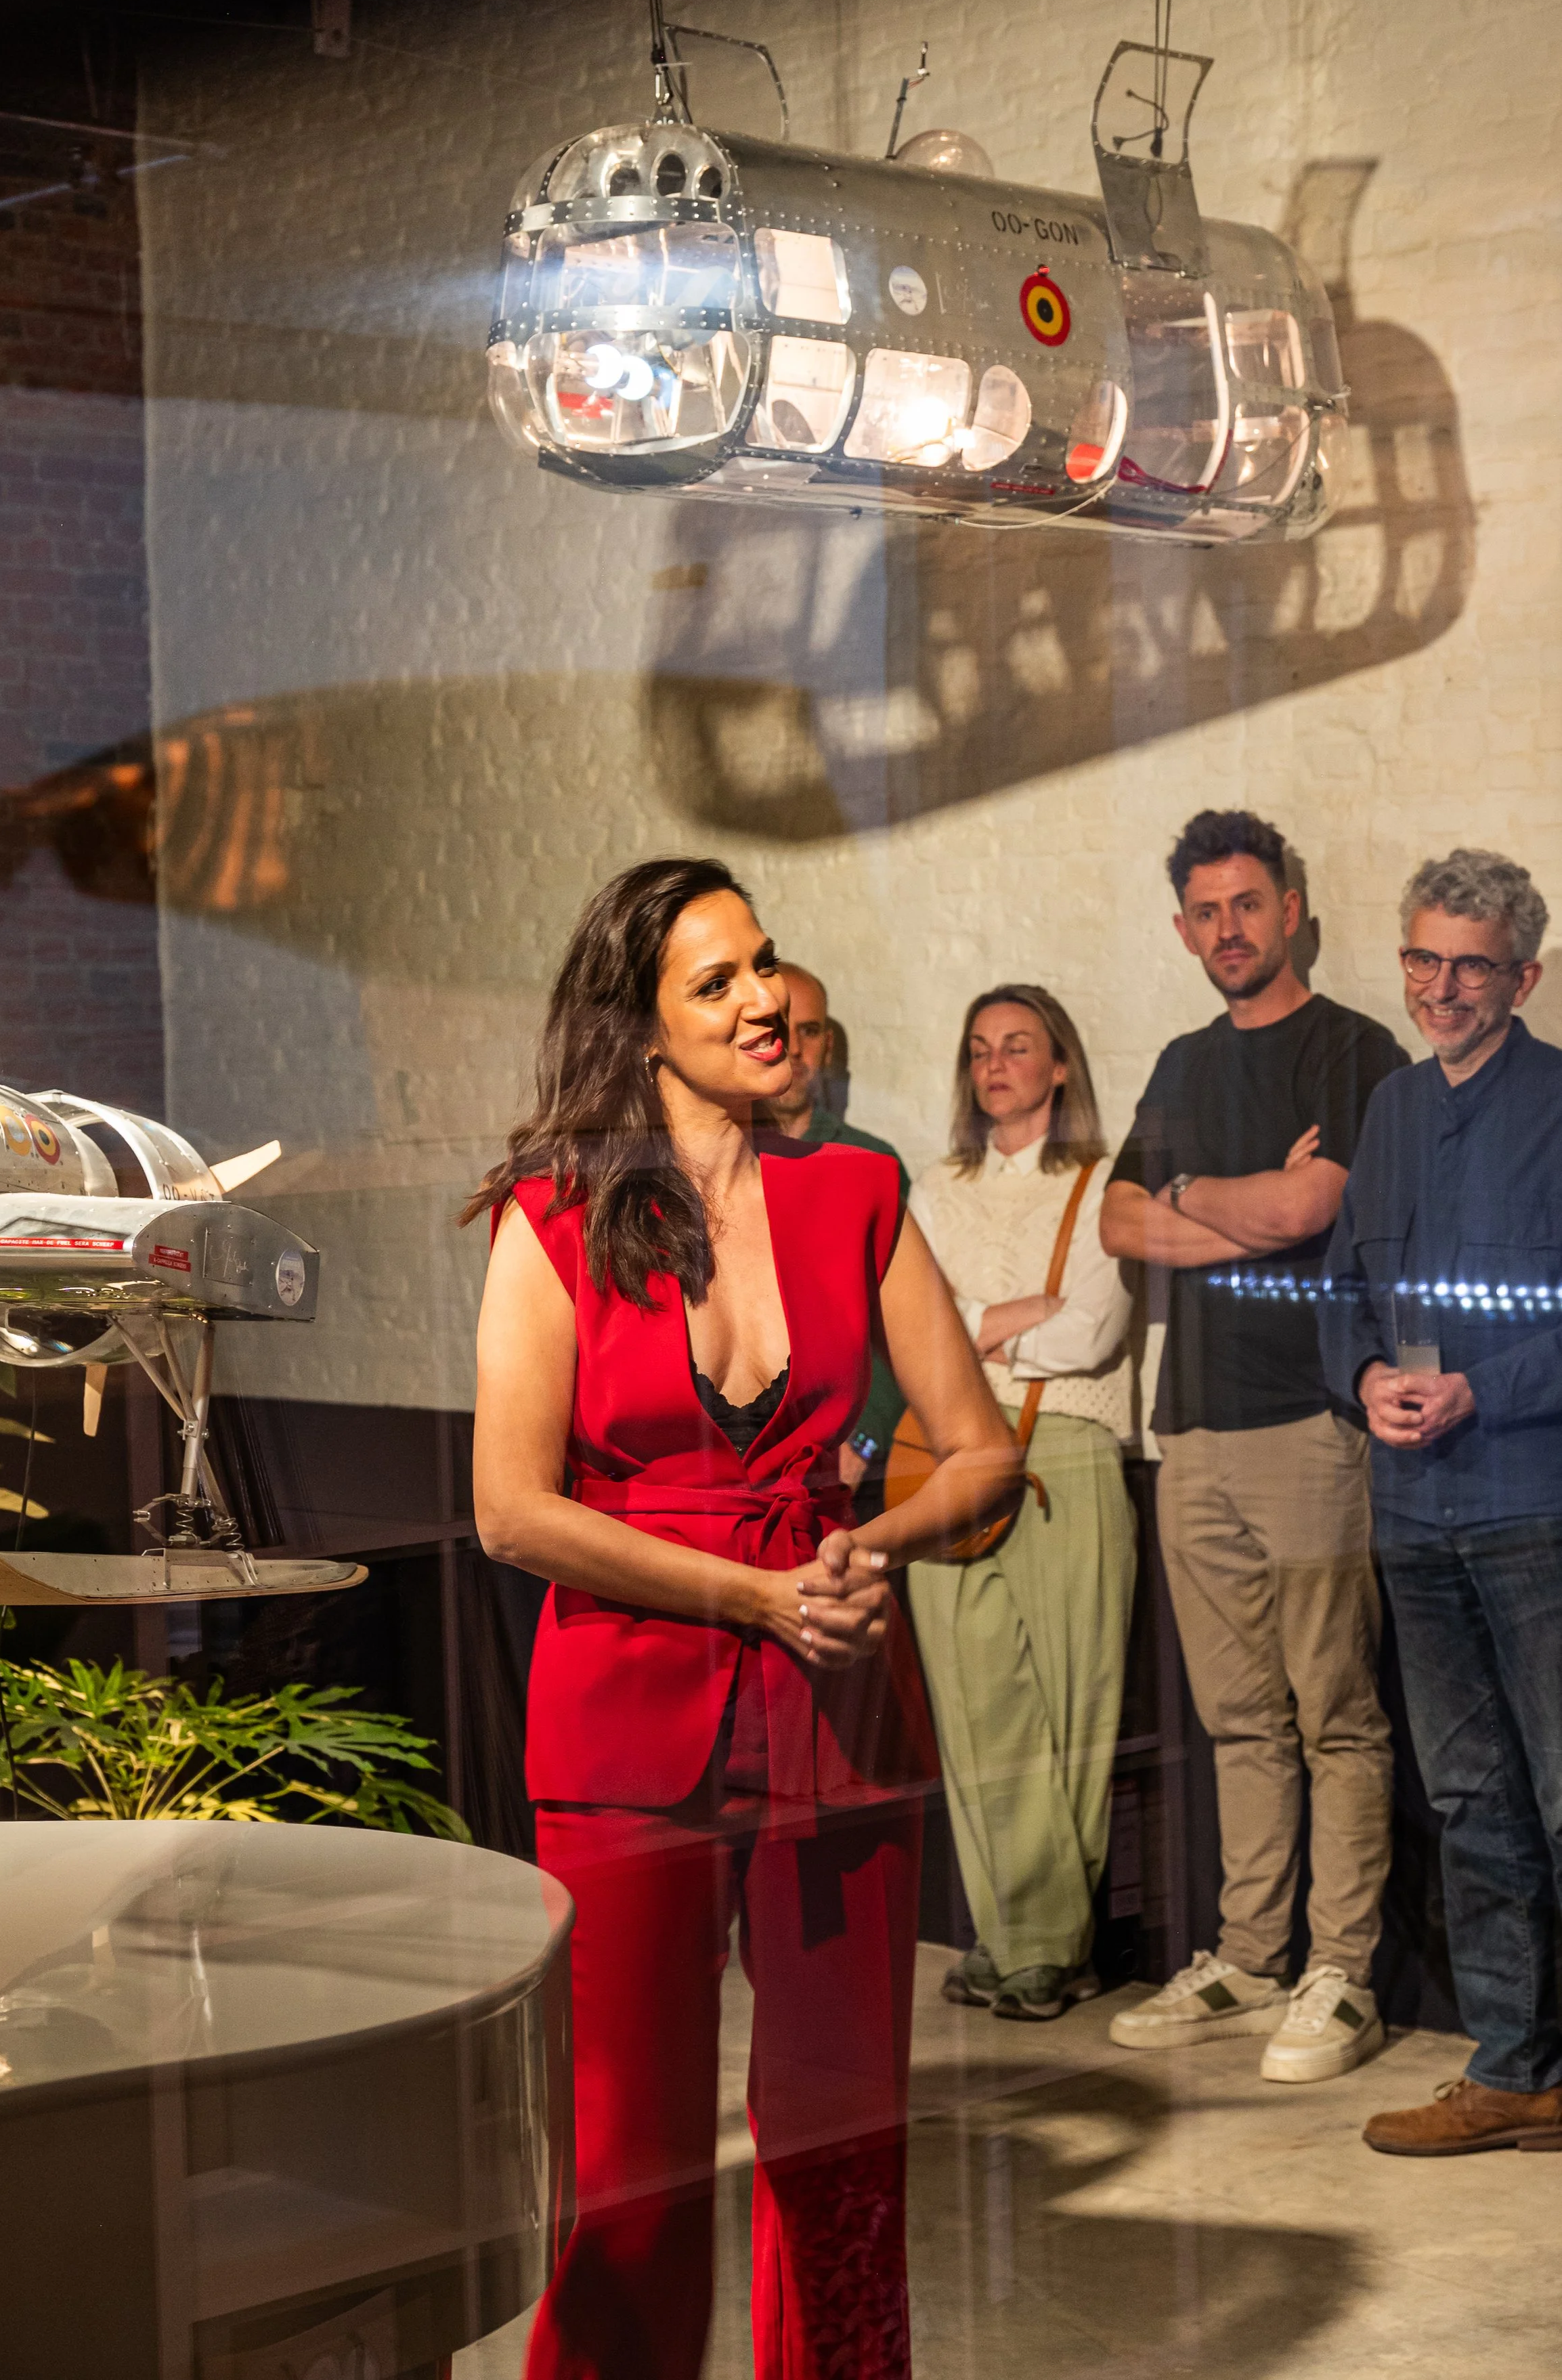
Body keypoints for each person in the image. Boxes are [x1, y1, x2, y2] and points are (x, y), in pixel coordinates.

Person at [467, 857, 1018, 2379]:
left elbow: (981, 1458)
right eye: (713, 982)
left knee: (841, 2143)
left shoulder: (856, 1192)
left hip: (837, 1713)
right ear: (639, 1027)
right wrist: (753, 1591)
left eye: (762, 963)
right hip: (624, 1721)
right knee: (628, 2161)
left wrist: (871, 1548)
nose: (763, 999)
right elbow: (511, 1509)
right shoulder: (554, 1217)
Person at [1100, 808, 1406, 2083]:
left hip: (1311, 1419)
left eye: (1248, 903)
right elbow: (1119, 1218)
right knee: (1239, 1718)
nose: (1229, 927)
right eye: (1206, 911)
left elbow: (1317, 1200)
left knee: (1335, 1710)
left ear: (1290, 910)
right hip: (1193, 1426)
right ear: (1185, 929)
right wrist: (1228, 1210)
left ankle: (1342, 1972)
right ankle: (1248, 1951)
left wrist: (1208, 1204)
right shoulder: (1180, 1062)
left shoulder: (1353, 1048)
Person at [1319, 849, 1562, 2157]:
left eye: (1471, 962)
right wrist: (1364, 1377)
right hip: (1411, 1513)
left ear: (1522, 974)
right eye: (1423, 957)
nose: (1442, 984)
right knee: (1471, 1800)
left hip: (1538, 1505)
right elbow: (1345, 1300)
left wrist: (1488, 1390)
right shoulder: (1393, 1110)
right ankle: (1517, 2067)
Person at [907, 984, 1137, 2020]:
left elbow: (1092, 1334)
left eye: (1019, 1046)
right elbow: (909, 1328)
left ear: (1059, 1066)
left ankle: (1038, 1947)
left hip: (1072, 1451)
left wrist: (968, 1323)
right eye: (980, 1049)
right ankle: (1023, 1935)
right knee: (976, 1703)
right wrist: (1011, 1314)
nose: (997, 1063)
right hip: (946, 1456)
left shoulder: (1104, 1185)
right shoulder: (931, 1188)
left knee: (1072, 1705)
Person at [771, 959, 910, 1494]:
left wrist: (866, 1438)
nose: (796, 1048)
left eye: (809, 1031)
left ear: (827, 1045)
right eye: (781, 1028)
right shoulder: (716, 1161)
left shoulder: (871, 1163)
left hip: (847, 1459)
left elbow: (901, 1321)